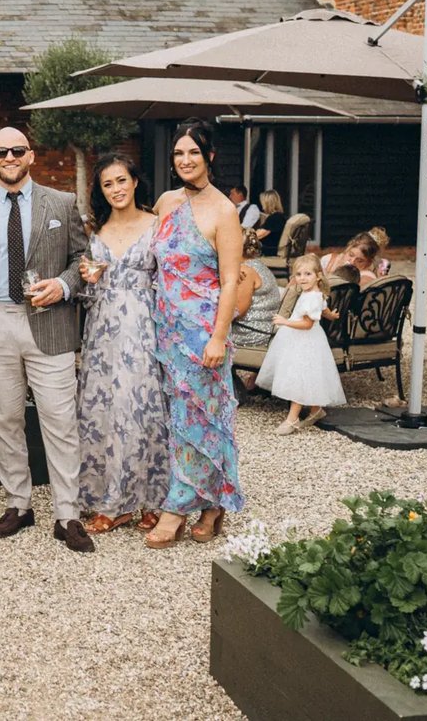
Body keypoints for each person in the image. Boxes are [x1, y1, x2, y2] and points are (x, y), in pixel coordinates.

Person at [0, 128, 93, 553]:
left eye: (17, 150)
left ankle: (67, 515)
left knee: (61, 420)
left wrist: (64, 286)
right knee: (4, 419)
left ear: (31, 156)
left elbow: (81, 258)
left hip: (50, 320)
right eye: (1, 151)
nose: (10, 157)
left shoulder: (62, 202)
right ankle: (19, 504)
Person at [146, 120, 245, 549]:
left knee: (199, 418)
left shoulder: (224, 211)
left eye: (193, 153)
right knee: (180, 418)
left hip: (203, 331)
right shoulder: (165, 202)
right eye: (179, 153)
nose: (185, 161)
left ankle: (178, 508)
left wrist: (218, 337)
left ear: (210, 157)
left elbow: (231, 280)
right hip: (165, 329)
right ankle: (214, 500)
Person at [72, 153, 169, 538]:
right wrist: (88, 279)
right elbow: (86, 291)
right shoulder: (96, 231)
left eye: (121, 180)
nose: (116, 189)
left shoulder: (156, 225)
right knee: (104, 411)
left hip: (143, 326)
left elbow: (172, 277)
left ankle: (150, 497)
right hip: (103, 330)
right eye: (108, 184)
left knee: (142, 408)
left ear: (135, 182)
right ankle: (111, 501)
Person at [258, 254, 347, 435]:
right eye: (298, 274)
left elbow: (307, 324)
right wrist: (331, 315)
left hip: (305, 340)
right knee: (307, 375)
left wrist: (285, 321)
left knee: (299, 378)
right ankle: (316, 410)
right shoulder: (314, 294)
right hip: (299, 340)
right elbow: (324, 308)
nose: (302, 278)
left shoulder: (312, 297)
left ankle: (292, 419)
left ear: (318, 276)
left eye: (308, 274)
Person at [231, 227, 280, 350]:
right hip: (266, 329)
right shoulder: (258, 264)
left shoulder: (244, 271)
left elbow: (238, 311)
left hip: (250, 333)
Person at [255, 189, 287, 256]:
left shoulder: (274, 218)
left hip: (268, 251)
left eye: (262, 203)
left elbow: (258, 236)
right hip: (271, 249)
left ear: (267, 203)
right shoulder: (279, 216)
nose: (262, 206)